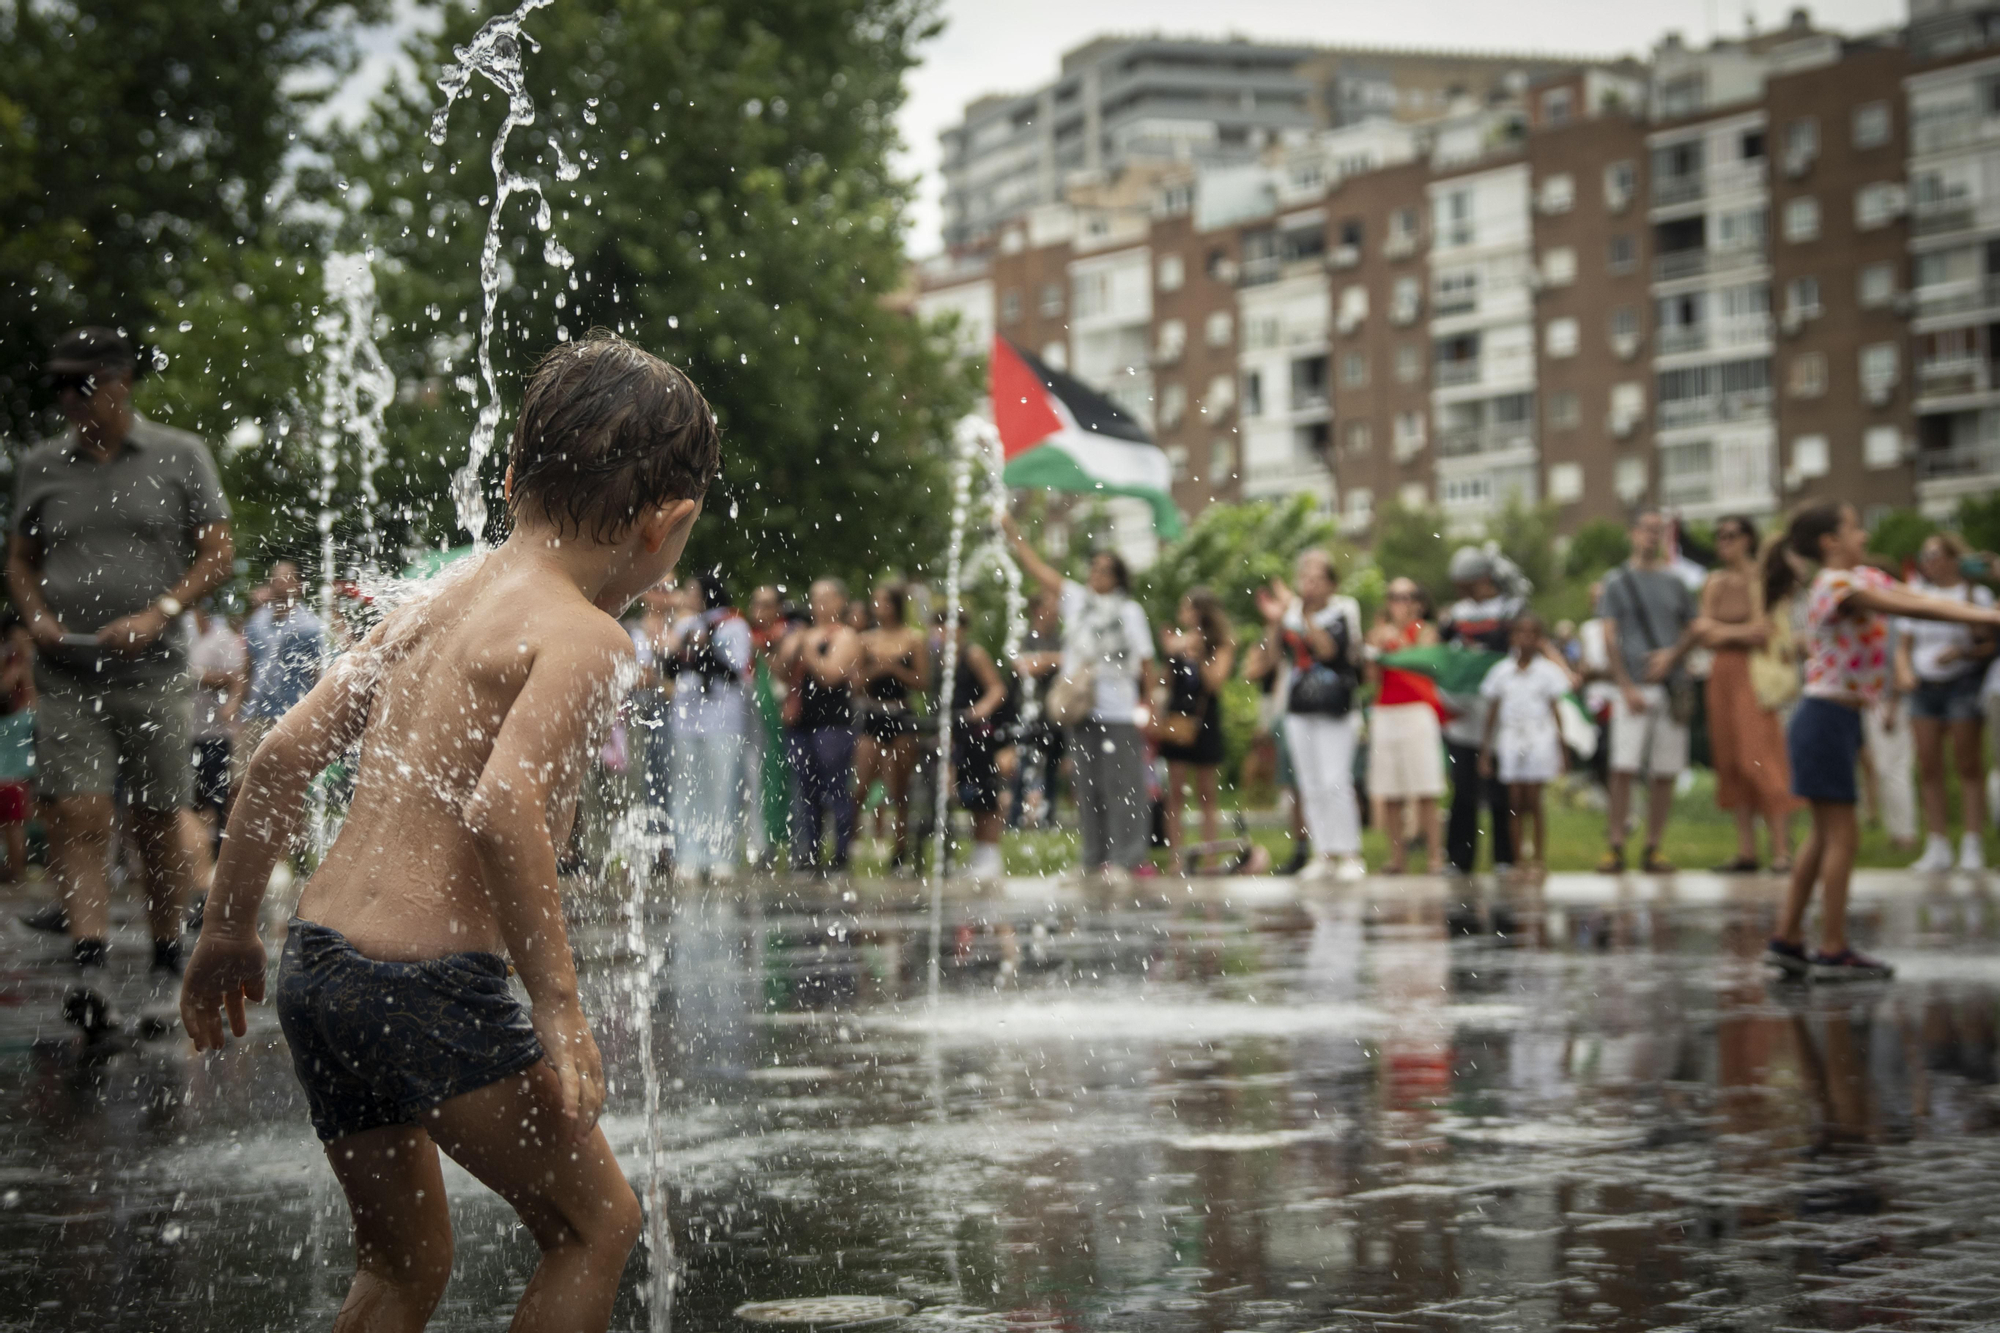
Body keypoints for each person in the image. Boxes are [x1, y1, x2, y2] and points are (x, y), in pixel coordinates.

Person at [179, 333, 715, 1332]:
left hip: (321, 974)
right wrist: (557, 1009)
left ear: (512, 475)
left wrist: (228, 931)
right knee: (595, 1226)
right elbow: (503, 807)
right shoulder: (584, 633)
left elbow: (280, 758)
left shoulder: (433, 601)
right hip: (425, 993)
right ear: (665, 524)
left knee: (399, 1265)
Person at [8, 326, 234, 1035]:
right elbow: (18, 558)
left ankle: (167, 962)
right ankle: (90, 964)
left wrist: (161, 610)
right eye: (60, 386)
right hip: (68, 671)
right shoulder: (43, 464)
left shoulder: (179, 455)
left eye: (80, 384)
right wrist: (36, 614)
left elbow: (218, 553)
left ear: (119, 382)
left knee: (159, 819)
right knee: (76, 813)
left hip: (154, 670)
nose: (68, 400)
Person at [1761, 504, 2000, 982]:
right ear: (1830, 542)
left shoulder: (1862, 576)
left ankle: (1788, 939)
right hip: (1824, 717)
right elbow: (1915, 607)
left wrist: (1982, 599)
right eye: (1853, 527)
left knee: (1824, 833)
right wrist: (1989, 615)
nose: (1863, 536)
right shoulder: (1836, 586)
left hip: (1836, 718)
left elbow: (1919, 594)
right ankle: (1832, 948)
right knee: (1841, 835)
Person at [1002, 515, 1156, 879]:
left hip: (1118, 708)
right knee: (1087, 787)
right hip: (1081, 709)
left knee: (1124, 786)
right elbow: (1038, 570)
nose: (1095, 575)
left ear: (1117, 578)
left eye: (1104, 570)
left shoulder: (1130, 612)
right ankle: (1093, 857)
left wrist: (1147, 703)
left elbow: (1146, 661)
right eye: (1094, 568)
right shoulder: (1077, 601)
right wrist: (1013, 532)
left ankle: (1126, 858)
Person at [1247, 550, 1365, 882]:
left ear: (1331, 583)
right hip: (1299, 710)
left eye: (1316, 578)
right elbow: (1271, 660)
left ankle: (1350, 854)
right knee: (1310, 784)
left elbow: (1327, 650)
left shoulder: (1342, 613)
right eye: (1304, 578)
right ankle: (1323, 853)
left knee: (1335, 781)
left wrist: (1306, 616)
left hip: (1335, 711)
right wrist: (1274, 621)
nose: (1308, 584)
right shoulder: (1290, 617)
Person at [1596, 510, 1698, 874]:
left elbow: (1694, 628)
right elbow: (1609, 636)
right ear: (1633, 533)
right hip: (1632, 689)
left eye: (1659, 531)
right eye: (1646, 529)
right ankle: (1615, 845)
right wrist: (1624, 686)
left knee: (1664, 771)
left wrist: (1673, 656)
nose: (1651, 536)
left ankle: (1654, 847)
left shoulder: (1675, 582)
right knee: (1622, 768)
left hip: (1670, 688)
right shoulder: (1617, 581)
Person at [1694, 516, 1798, 873]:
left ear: (1748, 539)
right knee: (1731, 759)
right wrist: (1735, 633)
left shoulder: (1762, 578)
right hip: (1721, 674)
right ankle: (1746, 851)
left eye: (1732, 535)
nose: (1725, 542)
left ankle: (1782, 850)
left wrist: (1723, 632)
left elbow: (1763, 630)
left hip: (1754, 674)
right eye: (1720, 535)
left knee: (1760, 756)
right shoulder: (1714, 582)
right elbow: (1702, 630)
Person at [1897, 532, 1993, 872]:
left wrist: (1962, 651)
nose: (1930, 562)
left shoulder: (1975, 595)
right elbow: (1904, 645)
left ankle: (1972, 843)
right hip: (1924, 687)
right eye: (1926, 555)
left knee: (1968, 764)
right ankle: (1937, 843)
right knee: (1928, 765)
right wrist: (1905, 672)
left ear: (1953, 558)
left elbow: (1989, 643)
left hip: (1962, 684)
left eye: (1936, 554)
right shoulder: (1917, 596)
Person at [1438, 548, 1525, 874]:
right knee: (1463, 789)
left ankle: (1506, 857)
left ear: (1483, 579)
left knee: (1502, 790)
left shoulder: (1509, 609)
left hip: (1498, 714)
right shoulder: (1456, 615)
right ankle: (1459, 858)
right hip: (1463, 713)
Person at [664, 573, 753, 880]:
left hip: (722, 719)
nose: (685, 595)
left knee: (721, 788)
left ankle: (721, 856)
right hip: (688, 719)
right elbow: (671, 668)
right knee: (687, 789)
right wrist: (680, 650)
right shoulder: (686, 626)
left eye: (691, 590)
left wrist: (705, 650)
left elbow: (735, 671)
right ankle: (689, 854)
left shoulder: (733, 625)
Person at [775, 578, 862, 873]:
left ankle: (840, 854)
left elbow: (830, 675)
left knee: (835, 787)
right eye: (814, 598)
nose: (818, 605)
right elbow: (780, 672)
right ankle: (807, 852)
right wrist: (792, 648)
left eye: (825, 598)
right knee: (804, 790)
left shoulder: (846, 636)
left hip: (832, 722)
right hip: (800, 722)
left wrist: (807, 649)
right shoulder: (803, 634)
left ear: (840, 601)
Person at [1479, 613, 1569, 872]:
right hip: (1510, 736)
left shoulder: (1548, 672)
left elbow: (1556, 711)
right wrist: (1486, 750)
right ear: (1513, 637)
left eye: (1532, 634)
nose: (1525, 639)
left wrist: (1562, 748)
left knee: (1533, 799)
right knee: (1514, 801)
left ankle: (1538, 858)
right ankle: (1518, 858)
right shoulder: (1501, 672)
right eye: (1521, 633)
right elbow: (1492, 713)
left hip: (1539, 736)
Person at [1366, 578, 1445, 875]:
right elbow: (1372, 678)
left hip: (1417, 710)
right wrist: (1375, 648)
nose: (1398, 602)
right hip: (1386, 711)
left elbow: (1424, 664)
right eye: (1393, 596)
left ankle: (1435, 856)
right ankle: (1397, 858)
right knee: (1390, 790)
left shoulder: (1426, 632)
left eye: (1404, 596)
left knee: (1425, 786)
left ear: (1417, 601)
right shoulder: (1378, 634)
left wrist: (1396, 641)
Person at [1157, 588, 1235, 870]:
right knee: (1174, 792)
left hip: (1205, 721)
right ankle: (1176, 857)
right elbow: (1166, 682)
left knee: (1206, 794)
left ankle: (1210, 857)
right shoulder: (1177, 643)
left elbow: (1215, 682)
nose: (1183, 612)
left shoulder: (1221, 644)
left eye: (1187, 607)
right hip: (1177, 720)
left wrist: (1200, 656)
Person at [852, 582, 928, 872]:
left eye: (883, 601)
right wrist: (876, 670)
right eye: (875, 601)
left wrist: (895, 669)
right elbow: (856, 683)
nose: (877, 607)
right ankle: (850, 841)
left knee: (900, 787)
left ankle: (900, 847)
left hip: (901, 714)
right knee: (861, 784)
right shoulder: (865, 639)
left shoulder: (913, 639)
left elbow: (923, 681)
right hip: (872, 714)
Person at [237, 558, 328, 795]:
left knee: (287, 786)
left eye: (285, 577)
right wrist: (235, 703)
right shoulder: (257, 621)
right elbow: (247, 666)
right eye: (275, 577)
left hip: (292, 714)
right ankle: (241, 832)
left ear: (298, 585)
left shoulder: (310, 626)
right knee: (241, 782)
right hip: (255, 712)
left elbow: (317, 671)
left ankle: (295, 833)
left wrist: (317, 714)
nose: (278, 582)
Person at [940, 610, 1008, 878]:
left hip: (978, 736)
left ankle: (989, 855)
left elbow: (997, 689)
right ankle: (977, 854)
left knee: (984, 797)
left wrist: (979, 710)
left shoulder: (974, 655)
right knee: (965, 795)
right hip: (958, 737)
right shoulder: (944, 660)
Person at [187, 601, 247, 868]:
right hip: (185, 734)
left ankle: (221, 859)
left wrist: (201, 677)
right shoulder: (184, 632)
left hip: (214, 734)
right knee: (190, 801)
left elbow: (237, 678)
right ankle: (193, 858)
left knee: (218, 799)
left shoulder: (223, 639)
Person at [1010, 589, 1065, 829]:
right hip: (1028, 714)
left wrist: (1042, 660)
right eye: (1050, 608)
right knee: (1023, 768)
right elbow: (1023, 666)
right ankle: (1014, 820)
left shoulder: (1060, 638)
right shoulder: (1023, 637)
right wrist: (1052, 660)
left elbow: (1068, 661)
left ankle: (1048, 818)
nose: (1055, 614)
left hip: (1054, 714)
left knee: (1052, 768)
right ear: (1037, 610)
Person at [0, 611, 34, 882]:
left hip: (15, 773)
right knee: (14, 824)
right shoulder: (17, 663)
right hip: (15, 775)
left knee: (13, 824)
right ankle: (16, 873)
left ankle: (15, 871)